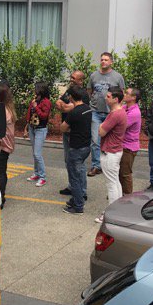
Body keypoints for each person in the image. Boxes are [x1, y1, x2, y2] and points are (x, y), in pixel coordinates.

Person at [88, 53, 125, 177]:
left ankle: (109, 165)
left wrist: (117, 109)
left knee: (110, 140)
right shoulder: (94, 75)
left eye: (106, 60)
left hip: (111, 113)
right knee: (95, 140)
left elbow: (121, 94)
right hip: (95, 112)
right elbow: (90, 91)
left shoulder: (117, 77)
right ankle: (96, 166)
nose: (103, 61)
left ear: (111, 62)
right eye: (102, 59)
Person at [60, 87, 93, 215]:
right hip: (86, 147)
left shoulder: (74, 112)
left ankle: (78, 206)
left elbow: (63, 128)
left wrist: (69, 127)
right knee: (78, 175)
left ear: (71, 97)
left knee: (74, 178)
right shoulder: (88, 109)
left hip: (76, 149)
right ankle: (76, 199)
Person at [97, 86, 128, 217]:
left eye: (108, 96)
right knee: (115, 182)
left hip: (110, 152)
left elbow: (101, 131)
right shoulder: (119, 112)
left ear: (116, 99)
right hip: (114, 151)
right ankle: (117, 210)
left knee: (111, 184)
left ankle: (111, 214)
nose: (106, 98)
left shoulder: (115, 114)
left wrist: (100, 125)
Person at [56, 70, 87, 187]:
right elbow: (59, 103)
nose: (71, 79)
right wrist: (65, 106)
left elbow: (66, 108)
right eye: (71, 77)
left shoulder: (83, 94)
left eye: (74, 78)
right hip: (67, 131)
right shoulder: (69, 90)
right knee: (68, 161)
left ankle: (82, 191)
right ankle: (72, 186)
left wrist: (65, 106)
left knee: (78, 164)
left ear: (81, 80)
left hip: (76, 133)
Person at [0, 82, 16, 207]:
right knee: (2, 171)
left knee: (0, 172)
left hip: (1, 148)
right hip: (6, 147)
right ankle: (1, 195)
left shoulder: (2, 111)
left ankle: (1, 198)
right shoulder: (7, 108)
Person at [25, 81, 52, 187]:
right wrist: (26, 126)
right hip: (32, 128)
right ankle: (36, 173)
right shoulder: (35, 99)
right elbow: (29, 113)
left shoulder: (46, 102)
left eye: (36, 88)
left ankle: (42, 177)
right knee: (34, 153)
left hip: (41, 129)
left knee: (37, 154)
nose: (34, 90)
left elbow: (44, 116)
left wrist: (36, 107)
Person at [118, 87, 142, 195]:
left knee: (125, 173)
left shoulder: (135, 113)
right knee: (119, 172)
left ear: (133, 97)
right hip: (122, 145)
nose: (124, 94)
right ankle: (119, 194)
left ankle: (127, 198)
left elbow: (121, 125)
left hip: (128, 148)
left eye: (127, 93)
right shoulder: (125, 107)